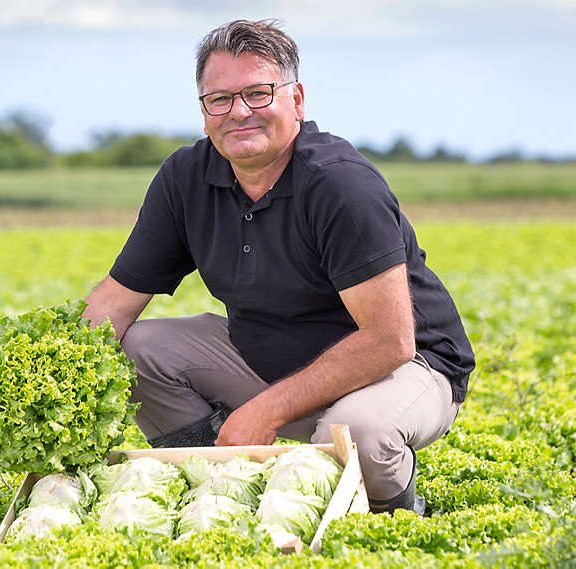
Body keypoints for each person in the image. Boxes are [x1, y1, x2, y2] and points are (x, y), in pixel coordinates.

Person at [83, 19, 474, 515]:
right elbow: (115, 301)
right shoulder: (186, 178)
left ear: (297, 100)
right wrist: (60, 384)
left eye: (258, 93)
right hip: (269, 358)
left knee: (358, 434)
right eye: (219, 99)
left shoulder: (339, 185)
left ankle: (392, 513)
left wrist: (266, 410)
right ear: (204, 112)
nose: (238, 112)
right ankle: (223, 491)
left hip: (407, 365)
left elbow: (390, 340)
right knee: (137, 348)